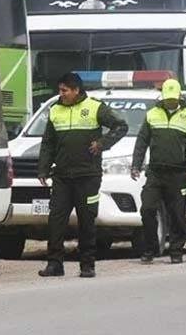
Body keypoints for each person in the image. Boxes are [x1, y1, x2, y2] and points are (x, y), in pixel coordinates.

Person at [37, 72, 128, 278]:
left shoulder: (94, 107)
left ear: (76, 90)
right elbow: (48, 143)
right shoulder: (55, 110)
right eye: (60, 90)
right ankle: (54, 264)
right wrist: (43, 168)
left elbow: (121, 126)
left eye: (65, 90)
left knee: (87, 220)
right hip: (62, 176)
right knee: (56, 220)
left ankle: (87, 264)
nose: (61, 94)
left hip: (88, 176)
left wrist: (102, 144)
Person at [131, 78, 186, 264]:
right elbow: (141, 142)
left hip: (178, 173)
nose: (170, 101)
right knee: (147, 209)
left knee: (177, 214)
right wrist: (135, 165)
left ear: (179, 96)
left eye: (173, 98)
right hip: (155, 173)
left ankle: (176, 250)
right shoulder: (152, 114)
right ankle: (150, 248)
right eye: (167, 98)